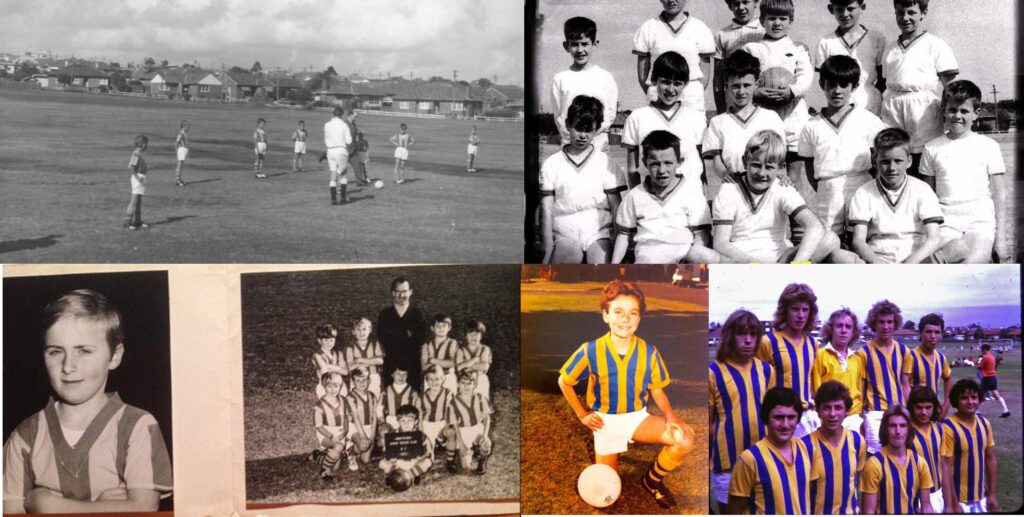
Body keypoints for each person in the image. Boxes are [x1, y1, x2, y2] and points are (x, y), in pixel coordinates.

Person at [2, 290, 172, 513]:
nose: (68, 366)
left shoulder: (137, 426)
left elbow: (144, 509)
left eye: (83, 351)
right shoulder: (25, 436)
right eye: (55, 352)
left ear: (114, 356)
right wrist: (104, 508)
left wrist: (47, 506)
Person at [558, 280, 696, 509]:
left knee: (684, 439)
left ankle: (651, 481)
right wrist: (582, 415)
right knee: (607, 491)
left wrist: (671, 416)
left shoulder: (649, 352)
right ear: (605, 315)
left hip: (637, 418)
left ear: (639, 318)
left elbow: (657, 390)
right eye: (618, 312)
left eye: (633, 313)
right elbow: (564, 381)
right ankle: (611, 461)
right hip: (605, 422)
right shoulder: (590, 350)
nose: (625, 319)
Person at [798, 54, 887, 252]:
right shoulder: (811, 126)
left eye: (844, 85)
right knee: (828, 243)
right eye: (831, 85)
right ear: (822, 84)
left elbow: (879, 160)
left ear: (854, 87)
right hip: (827, 189)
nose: (837, 91)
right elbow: (810, 168)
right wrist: (826, 185)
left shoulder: (868, 119)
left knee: (861, 240)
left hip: (861, 184)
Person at [712, 130, 838, 263]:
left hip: (780, 259)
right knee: (701, 256)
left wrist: (798, 263)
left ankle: (792, 274)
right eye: (755, 165)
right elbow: (720, 244)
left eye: (769, 167)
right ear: (745, 162)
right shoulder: (729, 189)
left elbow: (814, 226)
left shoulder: (782, 187)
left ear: (780, 168)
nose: (761, 173)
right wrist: (752, 263)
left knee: (830, 239)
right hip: (741, 261)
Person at [922, 79, 1009, 263]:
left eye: (964, 111)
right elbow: (927, 197)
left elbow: (999, 194)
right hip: (946, 222)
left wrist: (1000, 240)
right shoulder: (931, 148)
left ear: (976, 114)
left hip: (979, 221)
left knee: (971, 263)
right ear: (944, 109)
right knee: (946, 260)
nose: (957, 116)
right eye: (952, 110)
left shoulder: (988, 146)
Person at [539, 95, 624, 264]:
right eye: (578, 128)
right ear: (568, 125)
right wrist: (548, 246)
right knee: (565, 271)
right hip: (565, 230)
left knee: (600, 273)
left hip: (598, 232)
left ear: (597, 130)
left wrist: (616, 241)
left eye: (589, 130)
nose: (583, 135)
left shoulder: (606, 163)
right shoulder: (552, 163)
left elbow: (616, 206)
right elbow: (546, 209)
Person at [613, 130, 718, 264]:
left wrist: (693, 259)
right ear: (645, 163)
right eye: (655, 164)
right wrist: (613, 266)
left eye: (668, 163)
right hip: (649, 256)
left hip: (683, 254)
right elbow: (623, 235)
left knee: (709, 257)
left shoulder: (691, 192)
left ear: (679, 162)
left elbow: (702, 233)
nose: (662, 170)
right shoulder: (634, 195)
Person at [879, 0, 958, 177]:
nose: (905, 18)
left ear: (923, 12)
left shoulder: (935, 44)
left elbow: (950, 85)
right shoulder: (890, 48)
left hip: (923, 108)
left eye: (911, 13)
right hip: (894, 106)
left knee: (925, 157)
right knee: (895, 154)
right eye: (900, 13)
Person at [709, 309, 776, 513]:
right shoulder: (714, 372)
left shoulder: (766, 370)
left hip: (761, 459)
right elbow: (708, 424)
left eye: (753, 334)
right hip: (728, 462)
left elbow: (772, 416)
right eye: (741, 334)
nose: (748, 340)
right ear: (730, 336)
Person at [740, 0, 813, 186]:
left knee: (794, 174)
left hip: (793, 114)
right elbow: (743, 79)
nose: (777, 23)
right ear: (762, 20)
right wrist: (756, 93)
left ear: (791, 20)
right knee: (766, 166)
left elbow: (806, 77)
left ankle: (792, 213)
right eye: (772, 18)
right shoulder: (751, 49)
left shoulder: (799, 48)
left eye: (783, 18)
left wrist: (792, 91)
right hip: (764, 115)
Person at [848, 127, 944, 263]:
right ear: (875, 161)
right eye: (885, 162)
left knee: (958, 247)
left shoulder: (922, 189)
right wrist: (878, 263)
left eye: (898, 161)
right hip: (879, 258)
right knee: (839, 256)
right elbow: (858, 241)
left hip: (915, 260)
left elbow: (934, 238)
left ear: (909, 161)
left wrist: (909, 264)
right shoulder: (864, 192)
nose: (892, 168)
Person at [702, 49, 786, 201]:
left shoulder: (771, 118)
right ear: (726, 86)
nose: (741, 91)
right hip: (735, 187)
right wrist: (726, 175)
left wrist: (781, 174)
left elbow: (780, 159)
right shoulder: (718, 122)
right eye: (735, 86)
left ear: (756, 85)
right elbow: (717, 161)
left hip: (767, 188)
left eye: (747, 85)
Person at [621, 51, 706, 191]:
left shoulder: (695, 118)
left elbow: (700, 168)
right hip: (651, 198)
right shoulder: (637, 117)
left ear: (685, 85)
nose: (671, 89)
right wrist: (638, 200)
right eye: (665, 82)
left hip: (689, 196)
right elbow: (632, 170)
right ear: (654, 80)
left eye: (677, 83)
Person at [727, 386, 818, 514]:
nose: (785, 425)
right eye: (778, 417)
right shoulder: (749, 460)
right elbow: (734, 511)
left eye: (791, 417)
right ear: (766, 418)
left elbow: (812, 497)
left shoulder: (808, 449)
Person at [756, 283, 820, 439]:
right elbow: (758, 386)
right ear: (785, 311)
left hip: (807, 418)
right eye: (795, 309)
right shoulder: (768, 342)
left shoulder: (813, 343)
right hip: (781, 420)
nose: (800, 315)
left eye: (805, 310)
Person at [633, 0, 716, 113]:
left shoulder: (700, 28)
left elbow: (705, 75)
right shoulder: (648, 28)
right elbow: (643, 74)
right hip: (658, 94)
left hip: (691, 96)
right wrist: (657, 90)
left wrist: (692, 91)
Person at [551, 16, 618, 152]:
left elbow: (610, 114)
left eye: (585, 43)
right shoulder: (560, 79)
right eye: (575, 44)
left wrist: (589, 133)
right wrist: (573, 135)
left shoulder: (605, 77)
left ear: (594, 44)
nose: (580, 50)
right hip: (569, 144)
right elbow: (559, 115)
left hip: (598, 145)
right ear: (566, 46)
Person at [800, 380, 867, 514]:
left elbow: (856, 480)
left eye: (838, 407)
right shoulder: (804, 446)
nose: (832, 414)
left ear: (847, 411)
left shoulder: (857, 441)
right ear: (818, 411)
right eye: (827, 407)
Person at [813, 0, 886, 115]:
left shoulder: (876, 38)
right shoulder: (825, 42)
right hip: (838, 106)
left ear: (862, 7)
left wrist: (873, 96)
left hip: (869, 104)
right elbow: (821, 81)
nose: (845, 14)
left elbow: (883, 78)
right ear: (831, 9)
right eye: (839, 9)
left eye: (850, 9)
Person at [857, 299, 911, 453]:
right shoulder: (864, 353)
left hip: (899, 413)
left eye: (890, 322)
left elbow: (905, 385)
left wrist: (907, 413)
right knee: (877, 460)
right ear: (874, 323)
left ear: (895, 323)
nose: (886, 326)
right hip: (875, 414)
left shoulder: (903, 351)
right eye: (881, 322)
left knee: (899, 458)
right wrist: (862, 418)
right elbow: (861, 388)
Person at [860, 404, 934, 514]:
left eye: (903, 426)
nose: (898, 431)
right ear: (885, 429)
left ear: (909, 429)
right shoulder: (874, 464)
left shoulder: (920, 463)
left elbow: (926, 507)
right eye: (893, 426)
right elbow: (869, 511)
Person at [941, 379, 999, 512]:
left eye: (974, 397)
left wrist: (992, 494)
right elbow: (946, 469)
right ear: (956, 401)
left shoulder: (985, 424)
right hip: (959, 500)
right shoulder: (948, 427)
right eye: (964, 398)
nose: (970, 402)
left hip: (981, 497)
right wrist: (954, 504)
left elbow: (990, 459)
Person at [811, 307, 865, 431]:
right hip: (830, 417)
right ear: (831, 330)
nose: (844, 331)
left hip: (853, 418)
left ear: (853, 332)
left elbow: (859, 391)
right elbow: (817, 391)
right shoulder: (820, 355)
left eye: (848, 327)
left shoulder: (856, 359)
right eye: (839, 326)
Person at [711, 0, 765, 114]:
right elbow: (718, 79)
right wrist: (720, 111)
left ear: (756, 2)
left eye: (745, 2)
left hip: (761, 101)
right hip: (734, 100)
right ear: (730, 5)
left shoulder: (765, 31)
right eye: (736, 3)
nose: (741, 7)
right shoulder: (722, 35)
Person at [378, 277, 426, 390]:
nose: (401, 295)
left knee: (412, 400)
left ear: (410, 292)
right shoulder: (385, 314)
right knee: (391, 399)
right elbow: (383, 338)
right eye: (398, 292)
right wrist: (407, 334)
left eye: (404, 291)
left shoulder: (417, 314)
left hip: (412, 364)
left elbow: (420, 339)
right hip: (391, 363)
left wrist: (395, 334)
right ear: (393, 293)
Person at [442, 370, 493, 475]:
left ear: (474, 384)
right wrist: (461, 443)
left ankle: (482, 461)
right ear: (458, 384)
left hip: (476, 427)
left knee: (486, 444)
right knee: (466, 466)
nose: (466, 387)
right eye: (463, 383)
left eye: (469, 383)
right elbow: (455, 424)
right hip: (462, 430)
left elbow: (486, 418)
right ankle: (454, 458)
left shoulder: (480, 398)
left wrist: (485, 435)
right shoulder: (453, 402)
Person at [902, 313, 952, 419]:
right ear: (920, 333)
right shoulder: (910, 357)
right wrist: (909, 412)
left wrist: (946, 405)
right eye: (929, 332)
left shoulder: (941, 358)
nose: (933, 336)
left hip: (933, 414)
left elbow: (948, 379)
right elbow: (903, 386)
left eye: (937, 332)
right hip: (915, 416)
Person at [313, 372, 362, 479]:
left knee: (336, 466)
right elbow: (319, 426)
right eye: (329, 386)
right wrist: (331, 436)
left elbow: (345, 417)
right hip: (326, 432)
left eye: (336, 386)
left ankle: (318, 456)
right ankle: (324, 470)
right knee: (338, 447)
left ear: (340, 386)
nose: (333, 389)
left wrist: (345, 430)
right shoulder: (319, 405)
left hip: (340, 430)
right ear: (324, 386)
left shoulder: (343, 400)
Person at [908, 385, 945, 512]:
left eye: (928, 407)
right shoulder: (906, 432)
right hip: (916, 496)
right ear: (911, 408)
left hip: (939, 492)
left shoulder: (939, 429)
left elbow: (944, 464)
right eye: (919, 407)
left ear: (934, 407)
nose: (924, 412)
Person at [378, 404, 433, 487]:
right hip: (398, 463)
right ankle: (411, 475)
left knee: (428, 462)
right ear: (398, 421)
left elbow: (429, 451)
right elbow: (386, 451)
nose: (406, 424)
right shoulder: (393, 434)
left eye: (409, 420)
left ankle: (408, 475)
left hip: (414, 462)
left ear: (416, 421)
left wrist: (422, 457)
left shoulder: (420, 436)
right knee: (382, 463)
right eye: (403, 421)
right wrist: (391, 458)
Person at [345, 367, 380, 471]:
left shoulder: (372, 396)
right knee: (363, 445)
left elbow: (374, 417)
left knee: (365, 460)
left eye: (364, 380)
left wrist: (372, 436)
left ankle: (356, 448)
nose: (362, 383)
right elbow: (355, 417)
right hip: (355, 427)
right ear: (352, 382)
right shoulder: (350, 397)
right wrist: (364, 436)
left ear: (369, 380)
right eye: (358, 380)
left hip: (368, 426)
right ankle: (351, 452)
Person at [344, 317, 384, 398]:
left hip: (373, 376)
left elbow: (380, 361)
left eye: (364, 329)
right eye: (358, 330)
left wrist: (359, 360)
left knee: (375, 398)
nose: (361, 332)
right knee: (356, 399)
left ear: (370, 330)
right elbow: (350, 367)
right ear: (353, 332)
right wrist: (371, 361)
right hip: (356, 378)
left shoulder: (375, 344)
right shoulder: (350, 346)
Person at [454, 319, 492, 402]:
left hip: (479, 377)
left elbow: (485, 366)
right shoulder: (461, 350)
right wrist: (474, 360)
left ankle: (483, 406)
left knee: (483, 378)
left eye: (477, 334)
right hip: (464, 379)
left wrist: (467, 366)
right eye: (470, 334)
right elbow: (458, 368)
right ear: (465, 336)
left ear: (481, 335)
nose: (473, 337)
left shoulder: (485, 349)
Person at [421, 314, 458, 393]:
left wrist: (432, 360)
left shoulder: (452, 343)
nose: (441, 328)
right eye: (438, 326)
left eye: (444, 326)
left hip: (448, 377)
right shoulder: (426, 345)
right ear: (432, 328)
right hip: (430, 379)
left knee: (449, 402)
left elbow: (453, 363)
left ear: (449, 328)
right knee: (431, 402)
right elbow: (424, 366)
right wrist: (443, 363)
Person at [324, 106, 353, 204]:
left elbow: (326, 139)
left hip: (330, 151)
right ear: (342, 114)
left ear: (333, 113)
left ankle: (333, 198)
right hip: (340, 150)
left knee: (333, 173)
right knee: (343, 173)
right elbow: (349, 141)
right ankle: (343, 197)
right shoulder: (344, 125)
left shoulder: (327, 125)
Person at [418, 365, 454, 449]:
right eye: (430, 379)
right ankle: (433, 444)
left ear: (443, 379)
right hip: (427, 424)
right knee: (427, 447)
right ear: (426, 380)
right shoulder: (422, 396)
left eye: (437, 379)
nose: (434, 382)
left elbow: (448, 412)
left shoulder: (447, 393)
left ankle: (441, 440)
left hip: (441, 423)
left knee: (449, 433)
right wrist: (421, 432)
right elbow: (420, 415)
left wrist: (446, 427)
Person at [311, 323, 348, 400]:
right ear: (319, 341)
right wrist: (338, 368)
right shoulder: (317, 355)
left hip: (340, 384)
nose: (329, 343)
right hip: (325, 385)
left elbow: (345, 372)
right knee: (328, 407)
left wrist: (330, 366)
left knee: (341, 407)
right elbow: (324, 373)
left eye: (331, 340)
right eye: (326, 340)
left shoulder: (338, 354)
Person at [124, 134, 150, 230]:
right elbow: (130, 166)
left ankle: (137, 221)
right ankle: (127, 222)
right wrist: (137, 177)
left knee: (138, 201)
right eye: (146, 144)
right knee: (134, 200)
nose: (147, 146)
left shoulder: (139, 153)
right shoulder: (136, 154)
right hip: (138, 178)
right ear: (143, 144)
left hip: (141, 177)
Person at [977, 344, 1010, 418]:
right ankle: (1006, 410)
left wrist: (979, 364)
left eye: (981, 349)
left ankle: (977, 412)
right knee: (996, 394)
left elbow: (979, 367)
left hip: (987, 378)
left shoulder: (985, 357)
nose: (981, 351)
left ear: (985, 349)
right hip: (993, 377)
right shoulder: (992, 356)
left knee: (981, 394)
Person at [174, 120, 189, 186]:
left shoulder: (184, 133)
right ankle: (178, 180)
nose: (189, 127)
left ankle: (179, 179)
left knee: (181, 165)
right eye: (188, 126)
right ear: (184, 126)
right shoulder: (181, 134)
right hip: (182, 150)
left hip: (183, 150)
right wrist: (177, 149)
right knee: (179, 165)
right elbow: (177, 142)